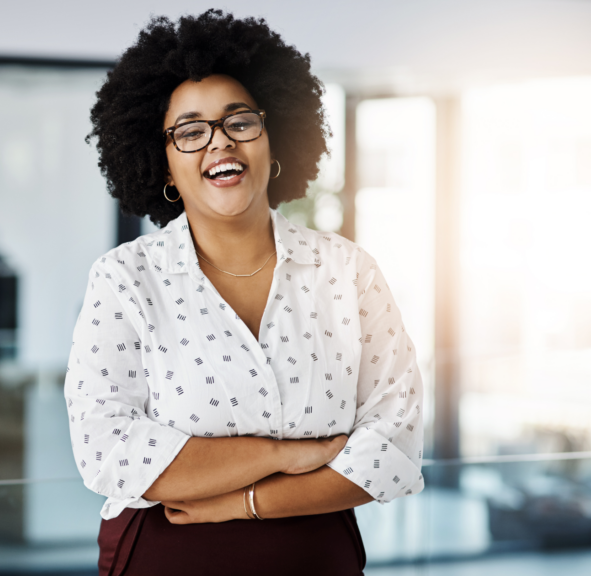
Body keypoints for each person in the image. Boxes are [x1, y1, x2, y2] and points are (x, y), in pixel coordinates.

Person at [64, 10, 425, 575]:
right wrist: (291, 454)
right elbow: (108, 453)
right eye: (190, 131)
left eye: (240, 122)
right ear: (163, 162)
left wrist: (240, 502)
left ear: (273, 137)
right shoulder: (124, 279)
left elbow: (392, 451)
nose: (219, 144)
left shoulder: (347, 270)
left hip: (315, 555)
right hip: (165, 555)